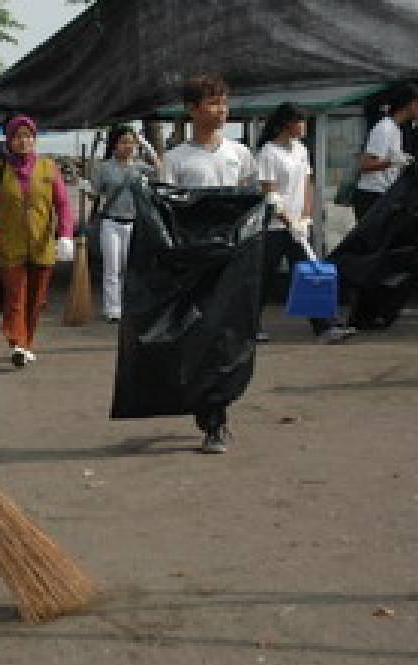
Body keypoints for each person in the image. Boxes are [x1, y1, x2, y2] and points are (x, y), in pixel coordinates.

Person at [161, 73, 258, 455]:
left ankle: (217, 415)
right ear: (192, 110)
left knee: (229, 338)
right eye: (213, 103)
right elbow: (166, 212)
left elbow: (252, 200)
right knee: (199, 338)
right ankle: (209, 415)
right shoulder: (176, 160)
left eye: (225, 103)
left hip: (233, 263)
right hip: (194, 264)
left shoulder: (240, 155)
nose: (222, 111)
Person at [0, 114, 74, 368]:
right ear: (9, 140)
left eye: (28, 136)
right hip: (9, 245)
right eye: (18, 137)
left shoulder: (48, 167)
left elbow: (62, 204)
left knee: (37, 299)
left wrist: (64, 235)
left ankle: (26, 342)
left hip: (42, 245)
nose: (24, 141)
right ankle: (16, 344)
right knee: (15, 296)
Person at [255, 103, 352, 345]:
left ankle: (325, 327)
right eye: (300, 121)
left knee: (312, 274)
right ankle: (249, 326)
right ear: (286, 124)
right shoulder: (268, 152)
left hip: (299, 227)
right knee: (263, 279)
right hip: (275, 228)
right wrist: (288, 220)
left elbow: (307, 185)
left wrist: (305, 217)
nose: (304, 126)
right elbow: (269, 193)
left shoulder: (301, 150)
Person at [90, 124, 159, 323]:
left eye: (131, 142)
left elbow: (159, 169)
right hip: (111, 222)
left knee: (130, 268)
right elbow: (95, 193)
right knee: (112, 268)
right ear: (114, 144)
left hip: (134, 223)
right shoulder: (104, 168)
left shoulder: (140, 168)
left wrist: (145, 144)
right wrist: (87, 189)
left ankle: (129, 305)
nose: (128, 146)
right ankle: (112, 309)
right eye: (123, 142)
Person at [354, 83, 418, 221]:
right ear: (412, 104)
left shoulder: (396, 129)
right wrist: (393, 161)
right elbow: (365, 165)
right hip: (372, 196)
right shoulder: (384, 128)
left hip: (384, 194)